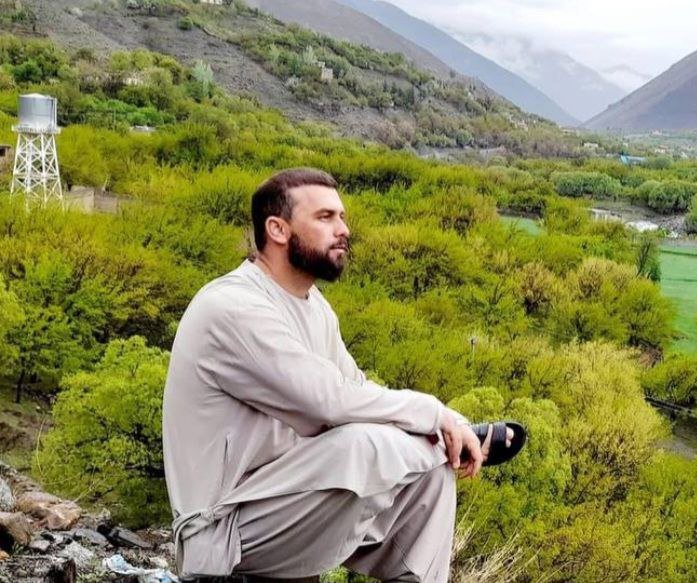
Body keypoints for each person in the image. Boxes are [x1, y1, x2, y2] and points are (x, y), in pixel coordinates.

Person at [163, 168, 511, 582]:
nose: (343, 230)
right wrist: (437, 417)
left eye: (342, 217)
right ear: (277, 229)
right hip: (223, 531)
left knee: (432, 478)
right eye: (325, 217)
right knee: (364, 444)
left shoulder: (314, 307)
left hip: (288, 501)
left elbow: (357, 389)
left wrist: (442, 424)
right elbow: (329, 403)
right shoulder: (233, 307)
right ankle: (448, 444)